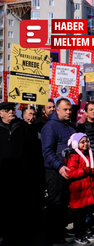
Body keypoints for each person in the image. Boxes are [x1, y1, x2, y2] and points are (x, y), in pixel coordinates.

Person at [0, 102, 43, 245]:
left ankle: (21, 236)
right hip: (4, 177)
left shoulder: (23, 126)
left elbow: (33, 148)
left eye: (13, 109)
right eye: (8, 110)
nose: (12, 111)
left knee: (21, 209)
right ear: (1, 113)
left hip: (22, 176)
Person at [41, 98, 76, 243]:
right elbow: (47, 151)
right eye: (65, 110)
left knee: (63, 204)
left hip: (68, 171)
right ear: (57, 110)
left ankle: (61, 230)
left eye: (70, 109)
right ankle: (53, 235)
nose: (68, 112)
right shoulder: (50, 126)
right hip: (55, 172)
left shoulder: (69, 126)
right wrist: (59, 166)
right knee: (55, 204)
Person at [65, 133, 94, 244]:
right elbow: (70, 173)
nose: (85, 144)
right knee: (78, 216)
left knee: (85, 215)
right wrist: (84, 171)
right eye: (82, 142)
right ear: (75, 144)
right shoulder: (74, 157)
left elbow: (92, 167)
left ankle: (84, 233)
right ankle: (78, 236)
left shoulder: (88, 154)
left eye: (86, 141)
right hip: (78, 192)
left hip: (87, 190)